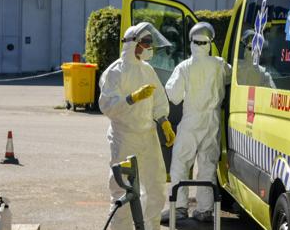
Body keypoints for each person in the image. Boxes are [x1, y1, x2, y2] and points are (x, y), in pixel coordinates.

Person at [99, 22, 177, 230]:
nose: (150, 47)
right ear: (133, 44)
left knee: (156, 188)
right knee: (123, 191)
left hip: (148, 135)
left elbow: (159, 99)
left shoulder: (147, 69)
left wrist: (164, 121)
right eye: (146, 43)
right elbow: (107, 106)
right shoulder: (115, 72)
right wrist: (131, 98)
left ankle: (150, 227)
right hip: (124, 137)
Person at [161, 22, 231, 222]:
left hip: (191, 120)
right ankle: (205, 210)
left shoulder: (185, 67)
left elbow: (173, 94)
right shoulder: (219, 64)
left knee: (180, 163)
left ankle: (179, 208)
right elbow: (230, 77)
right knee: (207, 165)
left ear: (192, 42)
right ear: (209, 43)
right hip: (213, 121)